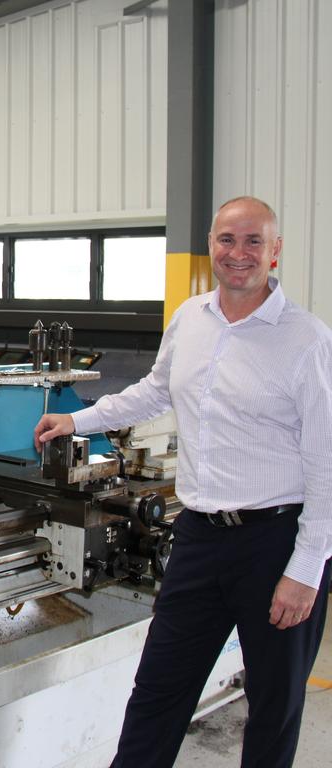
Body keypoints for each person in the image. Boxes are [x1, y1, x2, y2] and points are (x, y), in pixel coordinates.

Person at [34, 196, 332, 768]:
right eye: (226, 240)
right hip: (197, 536)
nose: (237, 254)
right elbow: (153, 390)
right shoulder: (191, 318)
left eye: (252, 242)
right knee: (159, 690)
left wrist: (305, 570)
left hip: (274, 542)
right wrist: (78, 419)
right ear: (211, 245)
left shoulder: (306, 341)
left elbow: (325, 462)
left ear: (275, 252)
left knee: (273, 704)